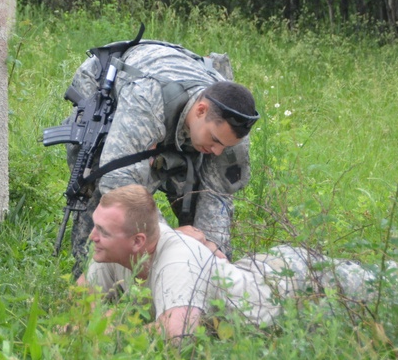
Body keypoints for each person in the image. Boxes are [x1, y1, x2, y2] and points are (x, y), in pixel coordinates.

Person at [78, 185, 398, 342]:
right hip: (253, 273)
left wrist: (111, 332)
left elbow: (178, 338)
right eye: (95, 227)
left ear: (139, 241)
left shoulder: (174, 261)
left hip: (292, 287)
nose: (92, 237)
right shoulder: (109, 252)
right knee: (388, 277)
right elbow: (76, 307)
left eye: (102, 232)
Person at [58, 39, 259, 274]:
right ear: (201, 110)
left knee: (201, 223)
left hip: (176, 122)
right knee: (98, 184)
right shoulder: (147, 98)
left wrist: (213, 258)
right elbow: (116, 181)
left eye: (225, 146)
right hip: (107, 99)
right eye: (214, 140)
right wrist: (169, 237)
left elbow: (215, 199)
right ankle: (88, 283)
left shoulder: (229, 129)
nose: (217, 151)